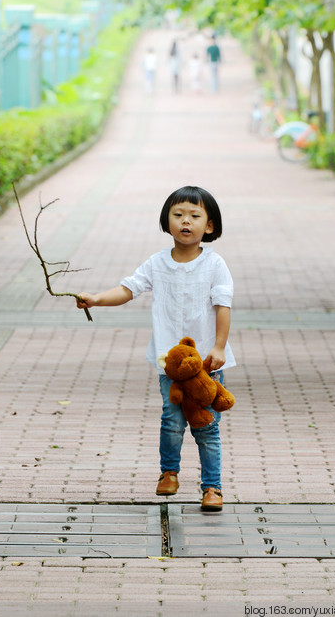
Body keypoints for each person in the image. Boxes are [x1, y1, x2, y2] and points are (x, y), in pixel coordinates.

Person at [76, 186, 236, 512]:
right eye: (178, 215)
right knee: (171, 420)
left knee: (207, 427)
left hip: (207, 362)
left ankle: (212, 488)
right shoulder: (157, 263)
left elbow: (223, 306)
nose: (185, 222)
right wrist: (97, 299)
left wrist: (219, 347)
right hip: (169, 364)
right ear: (167, 221)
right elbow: (128, 289)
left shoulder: (215, 264)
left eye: (194, 216)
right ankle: (169, 472)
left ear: (210, 226)